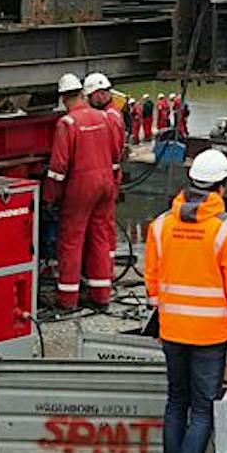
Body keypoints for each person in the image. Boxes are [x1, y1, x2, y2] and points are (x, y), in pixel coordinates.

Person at [143, 146, 227, 453]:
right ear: (220, 187)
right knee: (202, 409)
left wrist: (164, 317)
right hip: (210, 335)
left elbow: (151, 282)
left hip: (172, 330)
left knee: (176, 401)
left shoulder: (161, 225)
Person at [79, 72, 129, 307]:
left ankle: (102, 281)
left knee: (101, 230)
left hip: (106, 174)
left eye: (90, 96)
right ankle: (104, 278)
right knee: (105, 228)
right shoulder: (113, 114)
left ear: (99, 94)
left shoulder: (107, 117)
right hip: (110, 175)